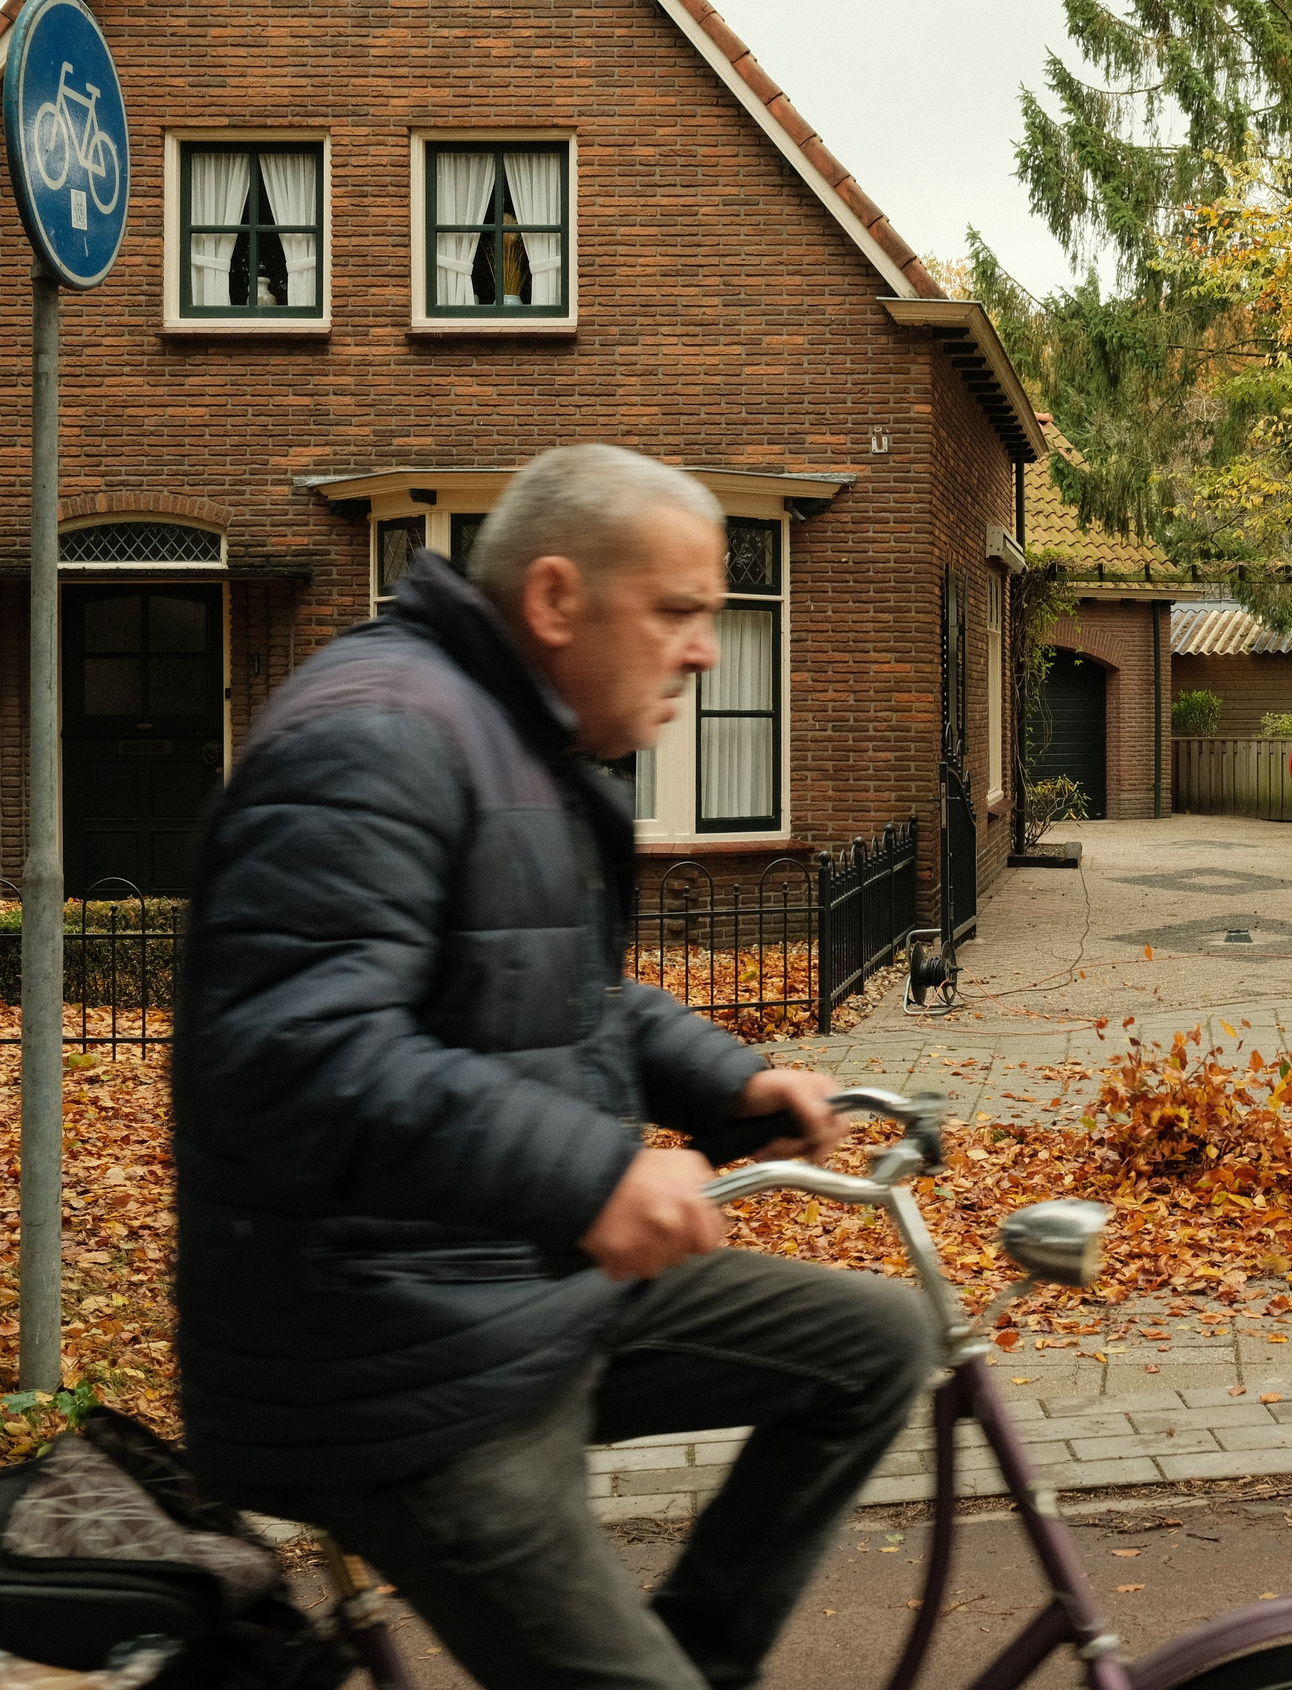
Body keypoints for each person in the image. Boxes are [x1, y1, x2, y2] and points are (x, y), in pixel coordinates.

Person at [171, 444, 937, 1690]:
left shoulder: (503, 738)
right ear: (556, 600)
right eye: (680, 611)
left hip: (513, 1292)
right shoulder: (377, 740)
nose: (705, 649)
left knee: (874, 1345)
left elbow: (553, 994)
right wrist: (590, 1177)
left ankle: (684, 1661)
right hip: (391, 1361)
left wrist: (729, 1086)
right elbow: (293, 1053)